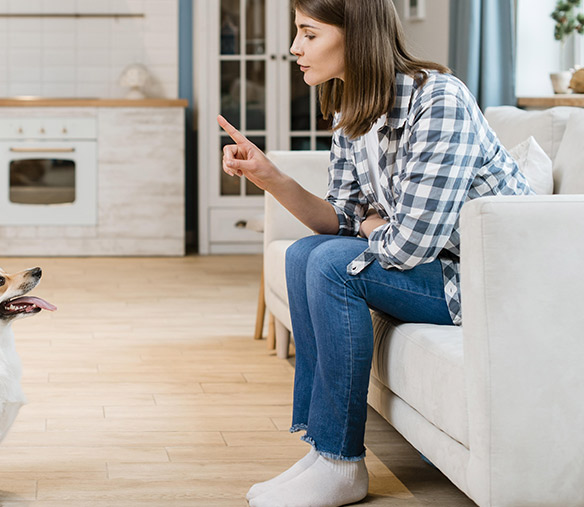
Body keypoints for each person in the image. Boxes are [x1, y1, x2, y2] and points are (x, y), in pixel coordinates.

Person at [218, 1, 533, 506]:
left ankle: (343, 465)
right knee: (304, 254)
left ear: (357, 35)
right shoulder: (352, 110)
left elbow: (409, 246)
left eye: (309, 34)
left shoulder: (439, 101)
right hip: (439, 265)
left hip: (487, 282)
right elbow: (339, 219)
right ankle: (323, 452)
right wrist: (268, 175)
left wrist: (370, 225)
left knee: (327, 264)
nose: (295, 48)